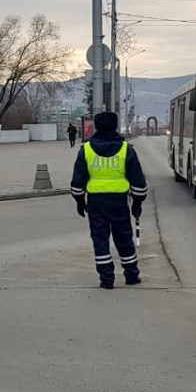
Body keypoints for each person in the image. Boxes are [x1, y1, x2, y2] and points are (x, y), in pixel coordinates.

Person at [70, 111, 148, 289]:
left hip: (96, 203)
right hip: (119, 202)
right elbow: (138, 180)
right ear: (115, 125)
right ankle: (131, 275)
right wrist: (137, 202)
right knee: (124, 239)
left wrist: (80, 201)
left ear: (97, 126)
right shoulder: (126, 149)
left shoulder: (87, 150)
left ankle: (106, 279)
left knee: (100, 240)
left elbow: (77, 180)